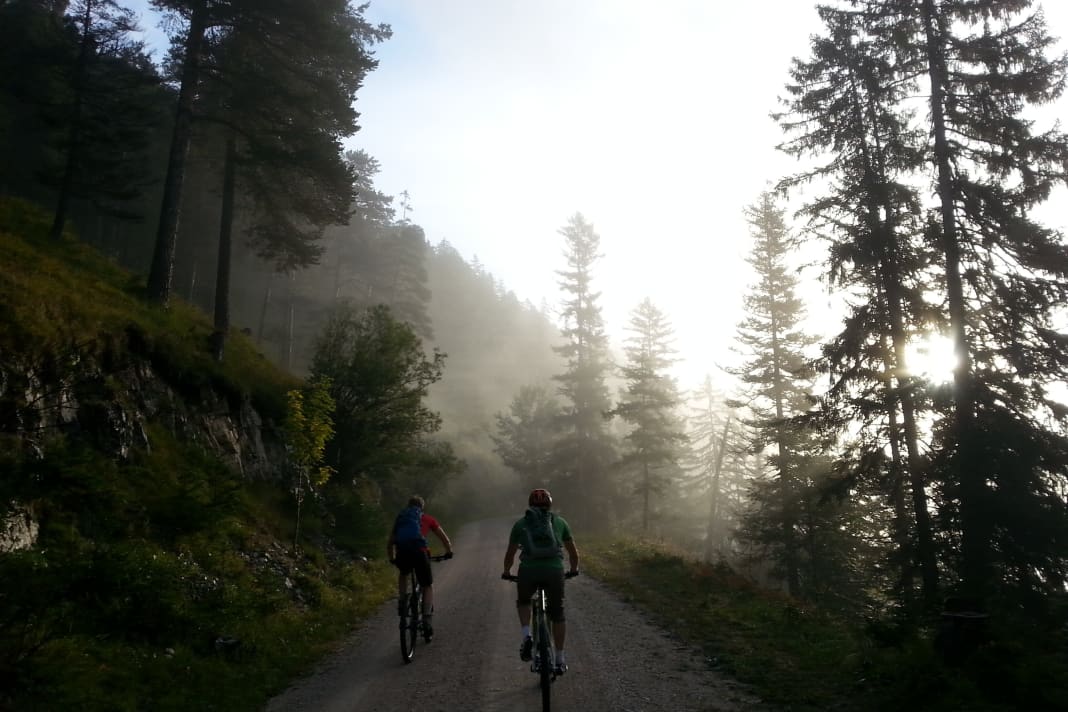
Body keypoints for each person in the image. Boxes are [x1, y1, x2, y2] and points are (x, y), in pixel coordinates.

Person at [501, 487, 580, 675]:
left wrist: (506, 571)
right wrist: (574, 570)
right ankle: (560, 659)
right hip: (554, 572)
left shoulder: (520, 524)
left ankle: (527, 635)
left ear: (530, 504)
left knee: (523, 601)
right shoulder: (560, 522)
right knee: (557, 613)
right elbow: (573, 553)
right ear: (550, 504)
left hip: (528, 571)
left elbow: (510, 554)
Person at [387, 495, 453, 640]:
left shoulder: (401, 519)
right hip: (420, 553)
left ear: (408, 506)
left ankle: (402, 601)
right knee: (427, 585)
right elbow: (444, 538)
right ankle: (427, 619)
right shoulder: (427, 519)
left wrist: (392, 558)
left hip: (403, 553)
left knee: (403, 573)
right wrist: (448, 551)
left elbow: (390, 542)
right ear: (421, 507)